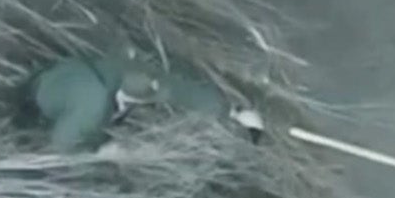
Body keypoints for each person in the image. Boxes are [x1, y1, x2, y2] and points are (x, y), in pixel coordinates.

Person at [19, 51, 248, 153]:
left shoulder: (138, 74)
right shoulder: (93, 105)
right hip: (36, 98)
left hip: (74, 76)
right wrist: (102, 153)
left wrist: (233, 112)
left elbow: (181, 92)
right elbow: (61, 145)